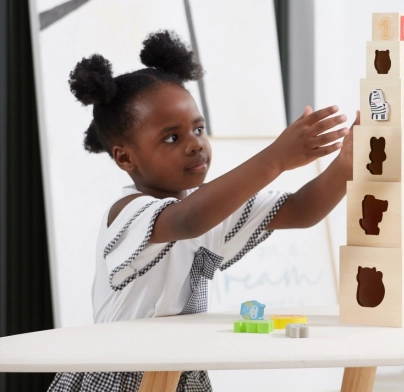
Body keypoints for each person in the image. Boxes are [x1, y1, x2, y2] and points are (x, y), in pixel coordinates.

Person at [48, 30, 358, 392]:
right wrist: (276, 158)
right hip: (118, 374)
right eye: (172, 137)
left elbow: (301, 210)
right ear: (125, 157)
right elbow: (187, 220)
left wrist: (345, 167)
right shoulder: (129, 213)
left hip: (182, 371)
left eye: (198, 128)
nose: (195, 145)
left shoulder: (212, 212)